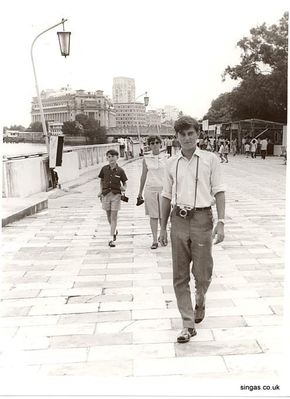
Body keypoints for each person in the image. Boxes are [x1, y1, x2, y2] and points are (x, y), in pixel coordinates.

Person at [159, 116, 226, 344]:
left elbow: (219, 191)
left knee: (203, 272)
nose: (187, 138)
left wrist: (222, 222)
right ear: (176, 137)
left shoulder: (210, 160)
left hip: (202, 219)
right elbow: (166, 196)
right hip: (178, 218)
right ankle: (187, 324)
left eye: (190, 134)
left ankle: (201, 295)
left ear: (198, 134)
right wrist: (162, 227)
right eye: (182, 134)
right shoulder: (170, 163)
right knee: (179, 275)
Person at [137, 135, 167, 249]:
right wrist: (139, 192)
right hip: (150, 189)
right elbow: (143, 175)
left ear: (160, 144)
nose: (154, 145)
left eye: (156, 142)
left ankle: (163, 235)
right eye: (152, 143)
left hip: (163, 190)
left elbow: (171, 176)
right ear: (149, 145)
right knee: (153, 216)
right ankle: (154, 240)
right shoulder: (146, 159)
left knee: (163, 216)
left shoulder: (167, 157)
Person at [98, 149, 128, 247]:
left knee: (114, 216)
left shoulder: (120, 171)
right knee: (108, 216)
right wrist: (100, 191)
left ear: (117, 157)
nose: (111, 159)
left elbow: (125, 183)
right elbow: (101, 181)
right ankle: (114, 229)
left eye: (113, 156)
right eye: (109, 157)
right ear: (107, 158)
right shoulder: (104, 169)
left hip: (116, 195)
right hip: (106, 194)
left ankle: (111, 238)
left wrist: (124, 188)